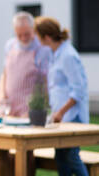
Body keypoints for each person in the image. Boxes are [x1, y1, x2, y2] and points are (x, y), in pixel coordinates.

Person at [0, 11, 51, 176]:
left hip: (29, 110)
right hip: (8, 107)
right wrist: (0, 95)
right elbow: (4, 73)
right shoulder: (10, 45)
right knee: (1, 149)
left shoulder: (42, 49)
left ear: (33, 30)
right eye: (19, 34)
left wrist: (42, 106)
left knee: (26, 153)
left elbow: (47, 81)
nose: (23, 37)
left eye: (27, 34)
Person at [34, 16, 89, 176]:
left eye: (38, 36)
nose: (37, 39)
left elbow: (78, 90)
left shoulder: (67, 56)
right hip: (62, 116)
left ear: (46, 37)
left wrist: (60, 112)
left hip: (73, 116)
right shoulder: (55, 53)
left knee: (72, 157)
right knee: (61, 158)